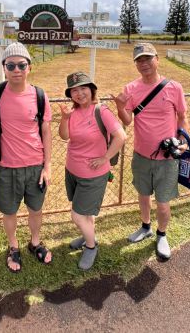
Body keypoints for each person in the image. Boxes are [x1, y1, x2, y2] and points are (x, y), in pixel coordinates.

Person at [112, 43, 189, 260]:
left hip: (167, 157)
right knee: (143, 196)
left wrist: (183, 141)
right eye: (139, 60)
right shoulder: (131, 89)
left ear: (157, 59)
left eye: (148, 58)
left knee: (163, 203)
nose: (144, 63)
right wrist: (120, 107)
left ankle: (161, 234)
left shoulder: (174, 87)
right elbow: (127, 120)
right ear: (135, 64)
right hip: (141, 156)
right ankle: (145, 227)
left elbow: (182, 116)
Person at [0, 42, 52, 272]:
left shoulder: (39, 95)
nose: (16, 69)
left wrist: (48, 166)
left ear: (29, 67)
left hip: (35, 166)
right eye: (11, 65)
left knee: (36, 209)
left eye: (21, 64)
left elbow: (46, 131)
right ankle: (13, 246)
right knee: (9, 211)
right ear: (4, 68)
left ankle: (35, 242)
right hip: (6, 166)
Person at [59, 72, 126, 270]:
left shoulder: (101, 111)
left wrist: (105, 157)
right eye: (75, 90)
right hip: (72, 170)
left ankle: (91, 246)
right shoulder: (73, 112)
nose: (79, 93)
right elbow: (64, 136)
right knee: (85, 214)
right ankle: (87, 234)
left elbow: (121, 136)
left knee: (77, 216)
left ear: (91, 90)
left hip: (93, 175)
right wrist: (64, 118)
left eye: (83, 88)